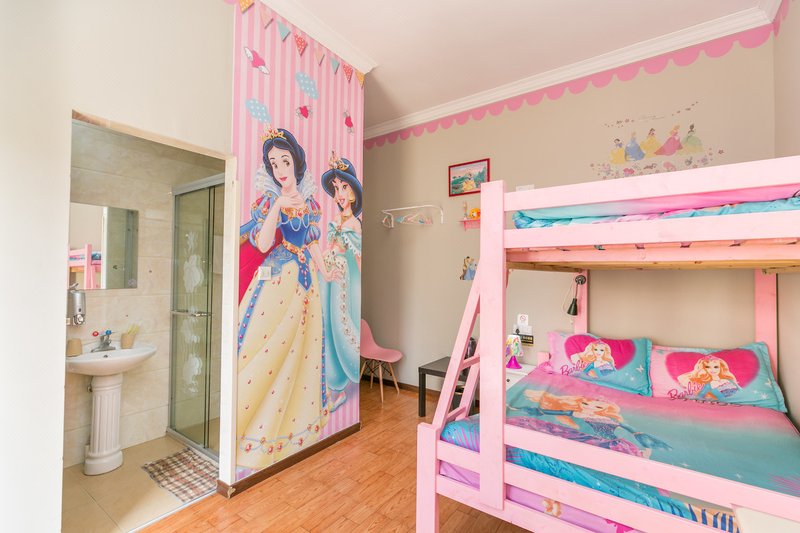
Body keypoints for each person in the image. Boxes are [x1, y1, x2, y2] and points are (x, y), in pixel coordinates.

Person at [236, 127, 338, 469]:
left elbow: (311, 241)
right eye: (273, 163)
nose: (280, 169)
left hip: (306, 279)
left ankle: (293, 426)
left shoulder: (309, 203)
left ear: (296, 162)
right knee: (268, 345)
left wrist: (325, 271)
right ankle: (251, 428)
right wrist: (278, 205)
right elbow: (264, 243)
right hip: (280, 278)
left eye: (285, 161)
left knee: (303, 349)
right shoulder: (271, 201)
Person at [320, 152, 363, 411]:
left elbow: (357, 256)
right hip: (328, 272)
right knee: (326, 323)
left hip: (342, 276)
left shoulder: (355, 224)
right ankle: (332, 385)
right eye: (336, 189)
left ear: (354, 192)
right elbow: (330, 246)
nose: (340, 194)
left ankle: (342, 385)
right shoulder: (337, 220)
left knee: (340, 322)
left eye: (344, 187)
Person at [514, 390, 671, 459]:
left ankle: (640, 456)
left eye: (597, 407)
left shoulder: (609, 419)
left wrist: (642, 438)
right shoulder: (577, 413)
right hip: (592, 438)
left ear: (604, 409)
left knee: (625, 450)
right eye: (586, 404)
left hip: (611, 441)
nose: (589, 407)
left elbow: (629, 430)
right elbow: (554, 412)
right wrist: (534, 410)